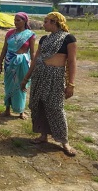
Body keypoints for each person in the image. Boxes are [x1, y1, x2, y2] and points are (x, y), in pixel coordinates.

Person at [21, 12, 77, 156]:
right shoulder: (44, 39)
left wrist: (70, 84)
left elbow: (71, 62)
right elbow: (35, 60)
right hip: (39, 76)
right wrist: (26, 78)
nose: (43, 24)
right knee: (38, 105)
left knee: (56, 107)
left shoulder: (68, 39)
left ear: (54, 22)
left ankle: (64, 141)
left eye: (46, 21)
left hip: (55, 77)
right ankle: (43, 135)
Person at [0, 12, 36, 120]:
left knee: (21, 86)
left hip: (22, 63)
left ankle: (21, 111)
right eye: (15, 20)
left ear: (24, 21)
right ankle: (7, 109)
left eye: (18, 20)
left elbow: (32, 52)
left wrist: (33, 65)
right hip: (9, 63)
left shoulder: (30, 35)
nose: (15, 22)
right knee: (8, 85)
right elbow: (4, 48)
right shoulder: (9, 33)